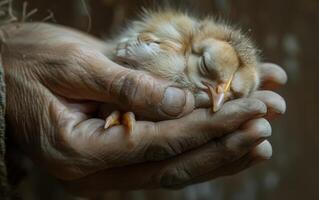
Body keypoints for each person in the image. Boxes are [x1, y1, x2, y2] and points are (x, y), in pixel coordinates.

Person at [0, 22, 286, 198]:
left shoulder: (212, 78)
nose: (218, 99)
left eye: (232, 94)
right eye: (206, 70)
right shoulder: (166, 48)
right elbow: (121, 55)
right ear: (194, 52)